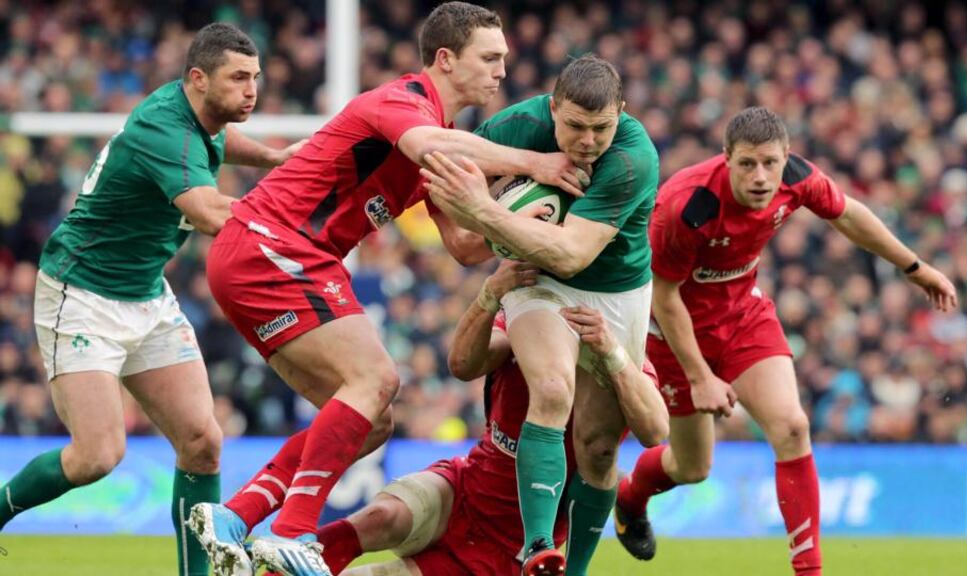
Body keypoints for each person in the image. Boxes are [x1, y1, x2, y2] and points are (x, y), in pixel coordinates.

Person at [188, 4, 583, 576]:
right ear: (445, 60)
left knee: (371, 420)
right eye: (490, 57)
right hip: (274, 245)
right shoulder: (402, 103)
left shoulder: (440, 142)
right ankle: (293, 532)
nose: (502, 70)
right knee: (378, 378)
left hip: (265, 258)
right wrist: (537, 164)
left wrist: (529, 222)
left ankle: (238, 514)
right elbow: (430, 146)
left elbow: (466, 245)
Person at [0, 22, 304, 576]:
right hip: (82, 291)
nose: (252, 91)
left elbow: (217, 144)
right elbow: (213, 214)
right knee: (97, 456)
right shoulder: (164, 129)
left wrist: (275, 159)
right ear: (197, 78)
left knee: (202, 442)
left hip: (145, 292)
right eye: (238, 79)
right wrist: (294, 221)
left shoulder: (199, 118)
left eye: (255, 78)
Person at [613, 106, 959, 576]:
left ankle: (808, 571)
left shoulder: (797, 179)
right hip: (675, 336)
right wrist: (700, 377)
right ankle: (630, 500)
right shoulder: (687, 207)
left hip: (743, 318)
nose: (760, 177)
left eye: (770, 163)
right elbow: (664, 297)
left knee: (792, 427)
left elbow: (849, 214)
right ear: (726, 159)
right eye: (748, 164)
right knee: (693, 468)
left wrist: (915, 268)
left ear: (786, 157)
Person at [420, 54, 661, 575]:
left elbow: (573, 254)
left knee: (597, 448)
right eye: (574, 125)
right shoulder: (516, 127)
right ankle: (536, 550)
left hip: (614, 287)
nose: (588, 140)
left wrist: (486, 216)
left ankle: (570, 571)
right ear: (552, 109)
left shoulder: (632, 157)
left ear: (622, 112)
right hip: (537, 276)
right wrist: (468, 230)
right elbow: (437, 172)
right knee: (552, 389)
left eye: (602, 127)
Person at [298, 259, 665, 576]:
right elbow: (461, 363)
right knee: (383, 516)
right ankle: (284, 559)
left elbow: (655, 429)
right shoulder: (531, 332)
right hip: (467, 487)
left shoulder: (620, 357)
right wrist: (490, 294)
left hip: (509, 547)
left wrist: (611, 351)